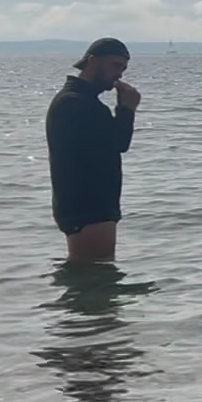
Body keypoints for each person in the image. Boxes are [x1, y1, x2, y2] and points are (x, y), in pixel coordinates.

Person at [46, 37, 140, 263]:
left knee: (93, 279)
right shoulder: (76, 103)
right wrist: (127, 109)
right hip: (88, 209)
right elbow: (119, 144)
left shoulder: (82, 101)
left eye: (123, 68)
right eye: (115, 66)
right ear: (92, 62)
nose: (119, 74)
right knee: (93, 278)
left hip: (89, 207)